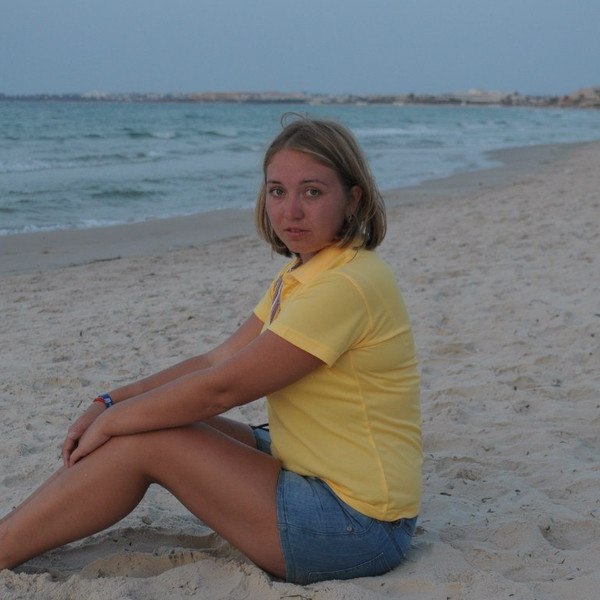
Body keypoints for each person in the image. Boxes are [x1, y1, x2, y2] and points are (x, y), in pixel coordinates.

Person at [0, 115, 422, 585]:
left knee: (149, 436)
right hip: (311, 466)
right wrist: (110, 402)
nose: (291, 211)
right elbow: (215, 360)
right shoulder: (307, 273)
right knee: (149, 418)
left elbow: (221, 389)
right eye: (278, 191)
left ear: (353, 198)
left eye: (312, 192)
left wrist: (115, 421)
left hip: (356, 527)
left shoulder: (344, 285)